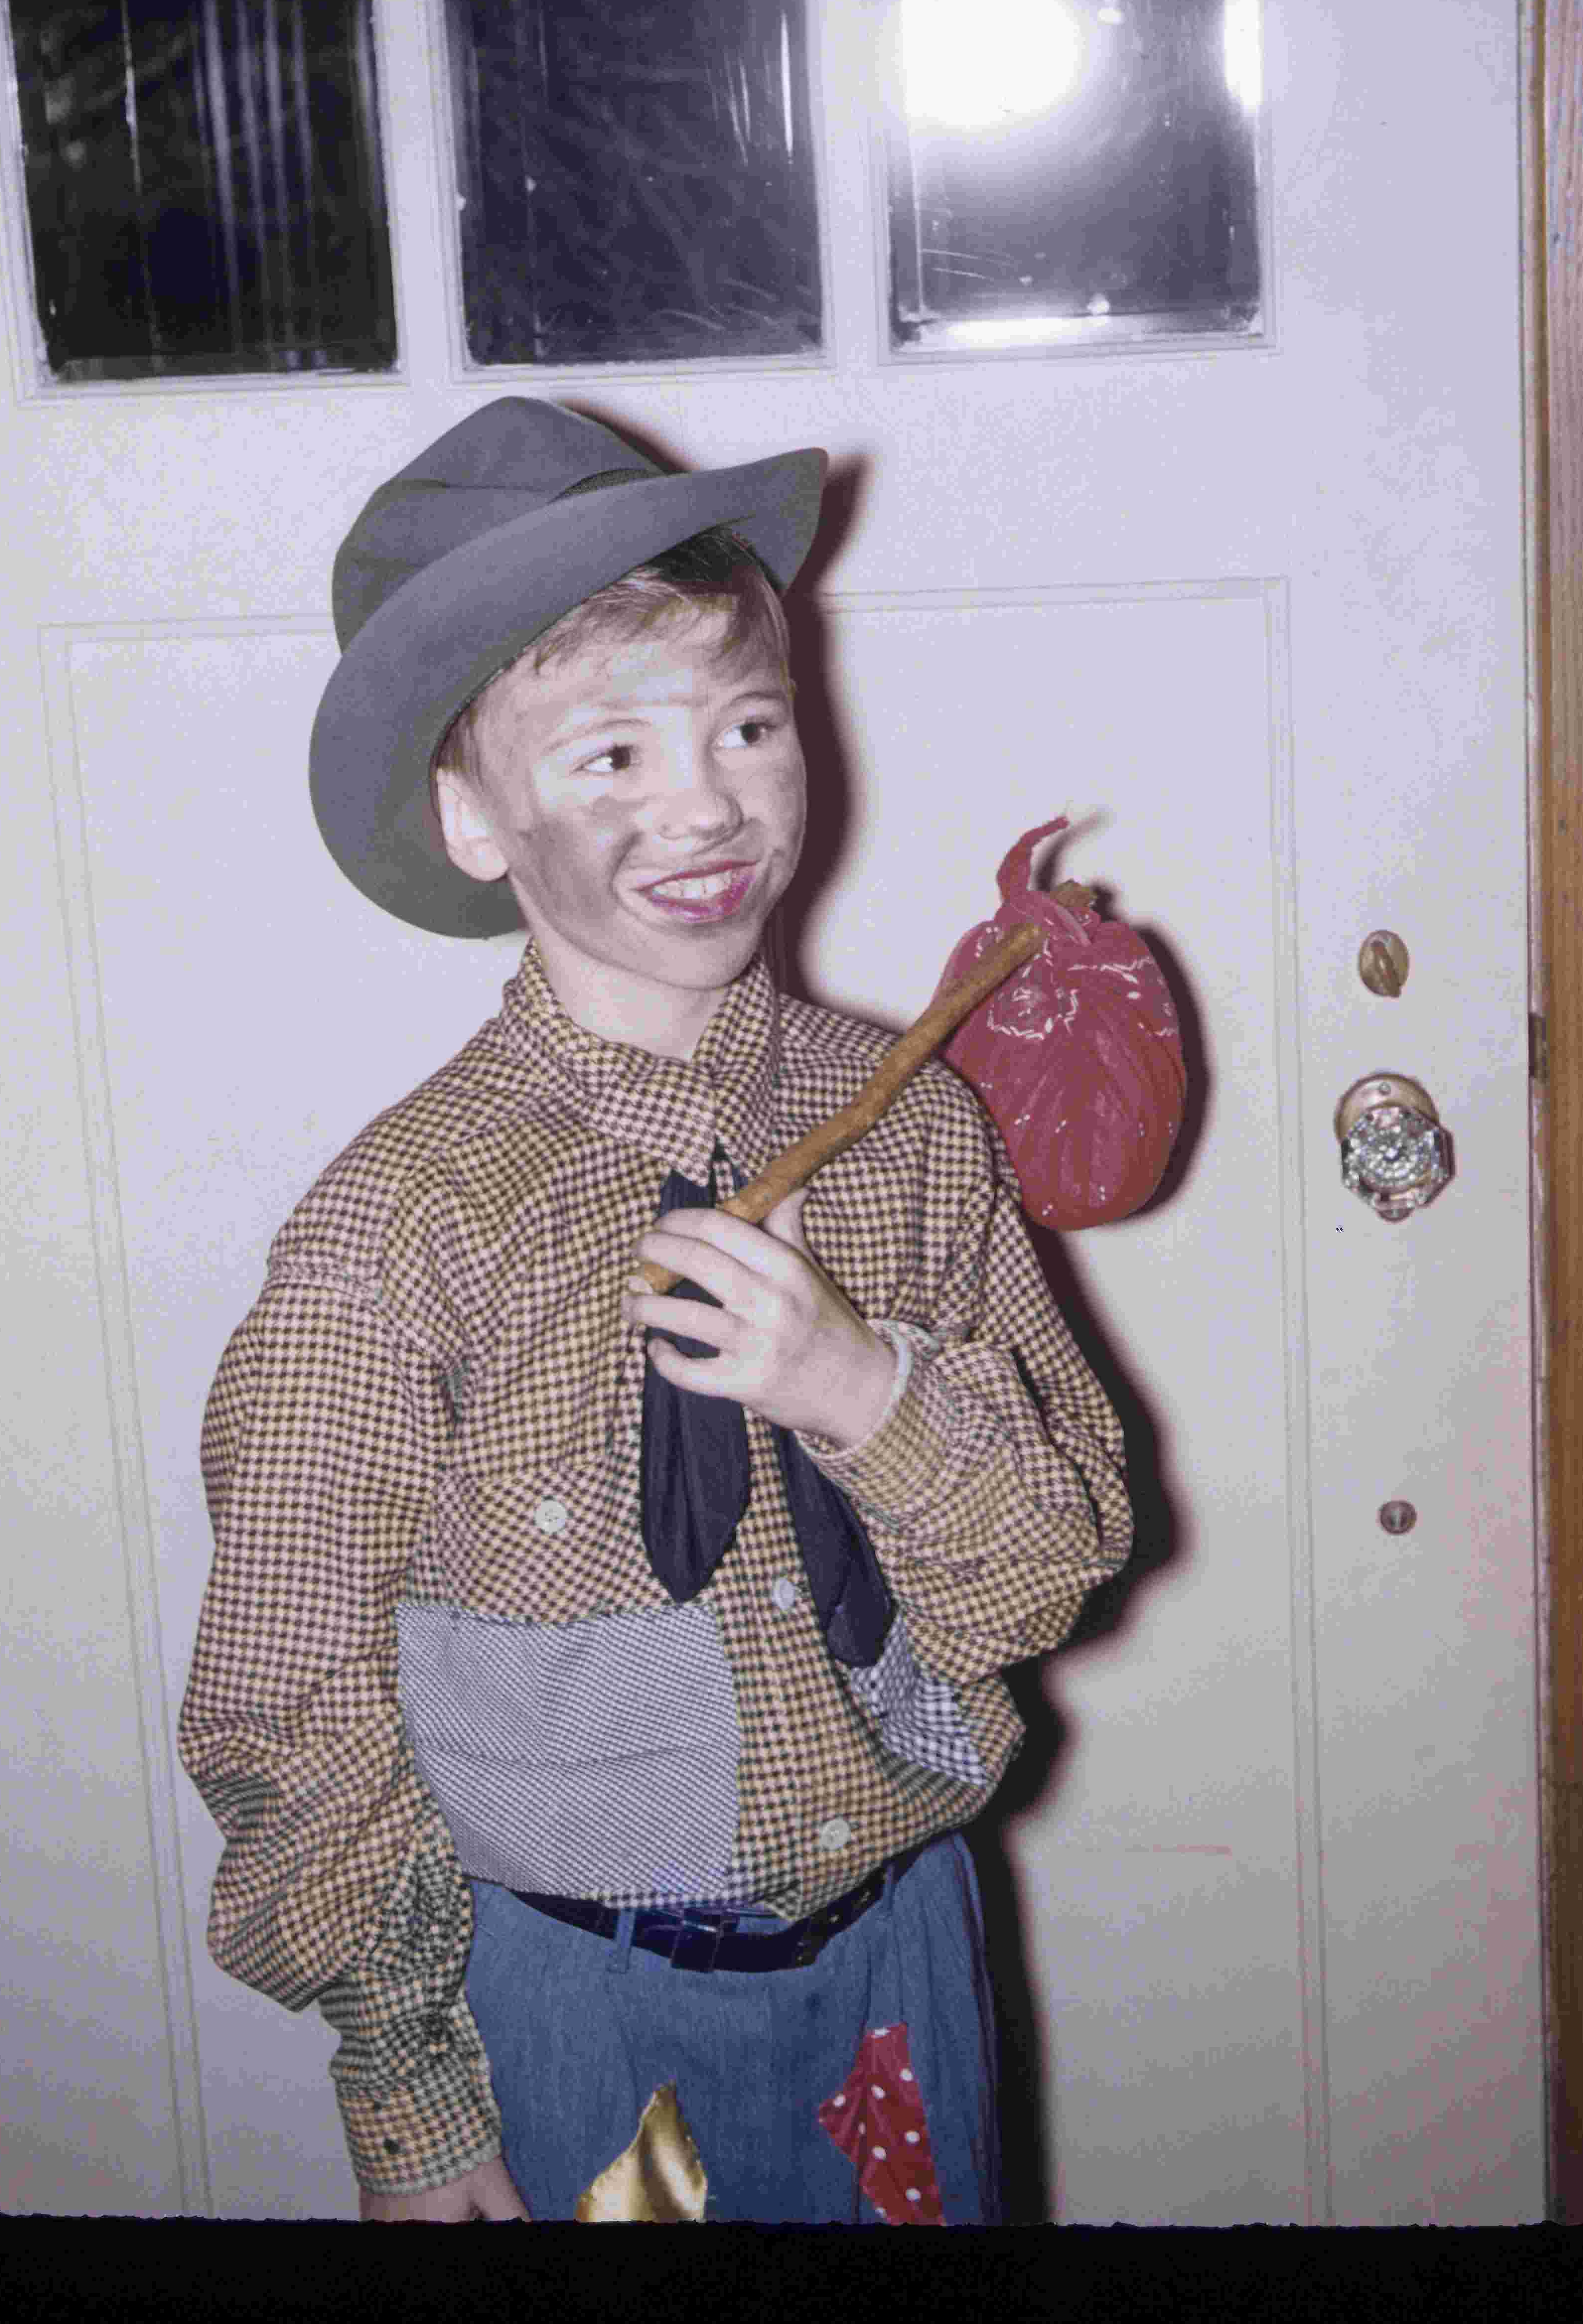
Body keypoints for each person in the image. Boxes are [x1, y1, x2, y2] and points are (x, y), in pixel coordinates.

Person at [177, 396, 1133, 2224]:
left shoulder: (913, 1132)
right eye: (608, 754)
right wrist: (407, 2091)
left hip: (902, 1955)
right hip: (567, 2007)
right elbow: (288, 1696)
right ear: (472, 818)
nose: (704, 804)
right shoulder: (402, 1229)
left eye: (746, 727)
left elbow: (1041, 1576)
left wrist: (864, 1391)